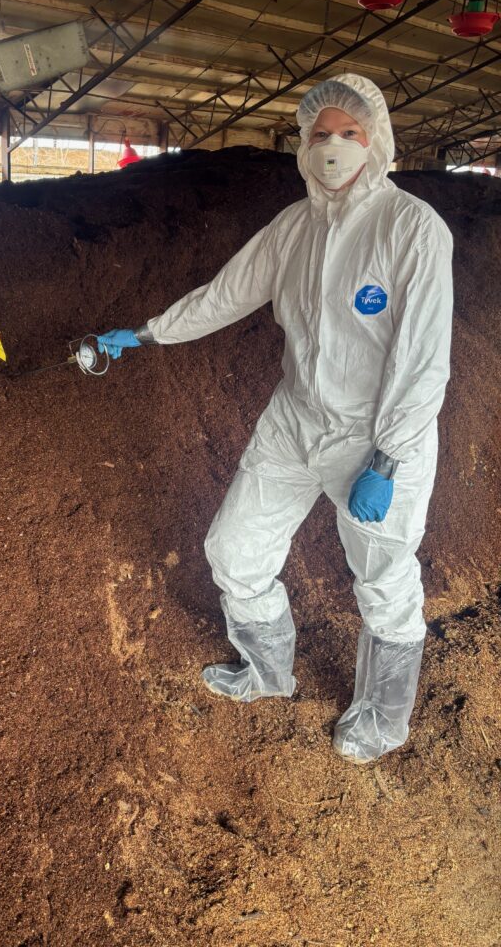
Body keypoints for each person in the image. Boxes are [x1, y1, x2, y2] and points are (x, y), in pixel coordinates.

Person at [97, 73, 454, 764]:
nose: (333, 147)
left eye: (349, 134)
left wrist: (388, 459)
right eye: (321, 134)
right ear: (302, 143)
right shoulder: (295, 228)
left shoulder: (412, 230)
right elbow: (226, 293)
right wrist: (147, 333)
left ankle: (381, 719)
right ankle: (266, 671)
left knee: (383, 580)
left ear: (375, 140)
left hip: (374, 436)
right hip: (295, 422)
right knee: (233, 548)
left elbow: (422, 361)